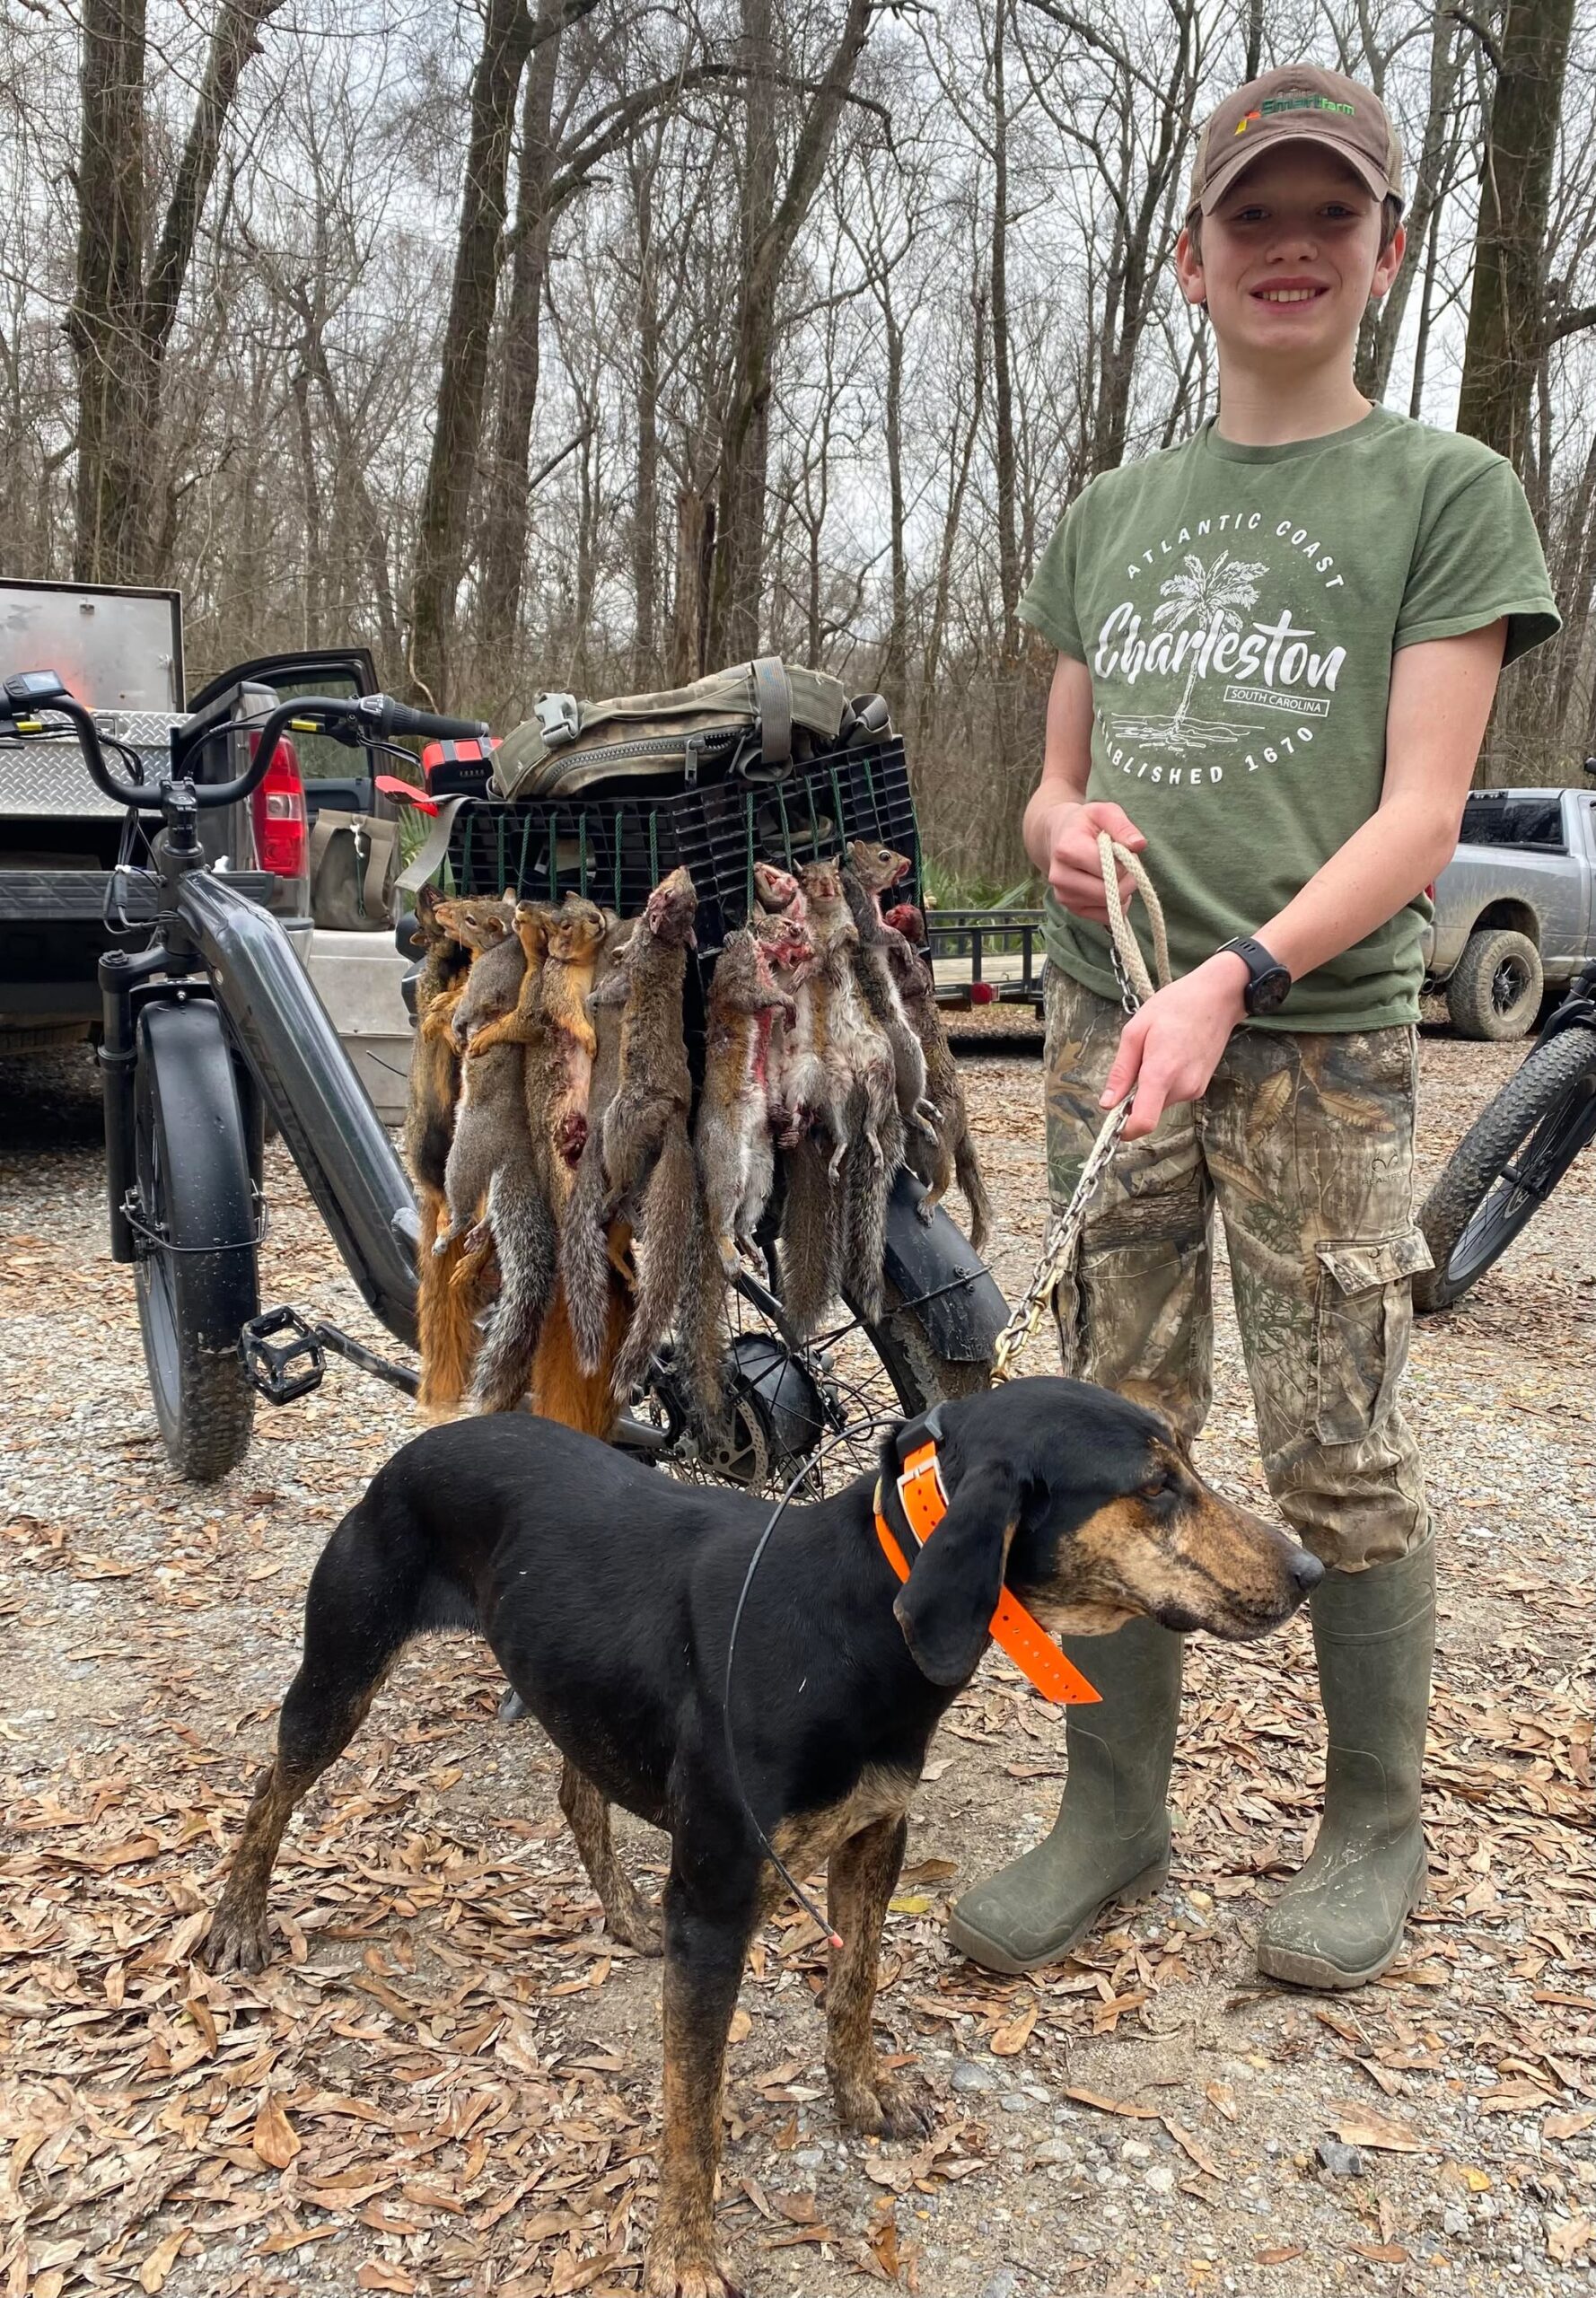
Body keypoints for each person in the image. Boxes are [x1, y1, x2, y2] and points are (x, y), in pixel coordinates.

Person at [948, 66, 1560, 1990]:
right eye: (1250, 217)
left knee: (1334, 1441)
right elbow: (1046, 791)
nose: (1288, 247)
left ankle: (1369, 1820)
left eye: (1327, 215)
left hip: (1318, 1036)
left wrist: (1237, 972)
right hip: (1104, 1026)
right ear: (1193, 257)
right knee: (1116, 1423)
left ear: (1383, 248)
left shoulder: (1442, 492)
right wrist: (1065, 838)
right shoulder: (1113, 511)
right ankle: (1110, 1810)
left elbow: (1421, 817)